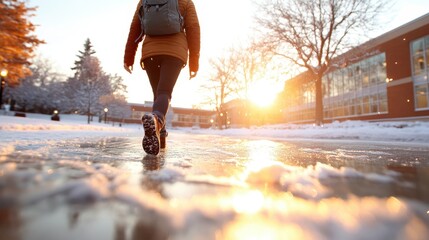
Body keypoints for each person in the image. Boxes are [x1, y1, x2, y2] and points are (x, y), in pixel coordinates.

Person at [124, 0, 200, 155]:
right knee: (164, 92)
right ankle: (157, 120)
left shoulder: (144, 1)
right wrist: (194, 62)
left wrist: (128, 57)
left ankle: (161, 135)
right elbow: (193, 29)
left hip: (151, 52)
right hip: (175, 52)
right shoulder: (185, 1)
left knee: (158, 94)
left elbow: (135, 28)